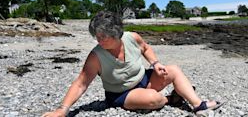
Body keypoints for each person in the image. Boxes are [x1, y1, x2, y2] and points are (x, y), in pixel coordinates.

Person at [42, 11, 222, 117]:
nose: (99, 39)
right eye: (96, 35)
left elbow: (145, 48)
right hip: (121, 93)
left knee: (173, 69)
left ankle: (198, 105)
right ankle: (170, 99)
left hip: (142, 78)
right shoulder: (96, 56)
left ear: (117, 33)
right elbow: (81, 83)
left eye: (103, 36)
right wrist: (62, 110)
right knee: (153, 98)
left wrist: (155, 63)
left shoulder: (132, 38)